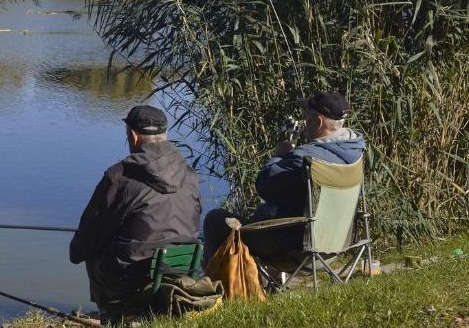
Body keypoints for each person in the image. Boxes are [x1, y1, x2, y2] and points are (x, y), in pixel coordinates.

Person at [70, 105, 201, 324]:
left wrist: (75, 251)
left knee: (91, 251)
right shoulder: (190, 175)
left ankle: (112, 316)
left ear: (133, 135)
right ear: (165, 135)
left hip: (131, 280)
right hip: (181, 273)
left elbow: (90, 233)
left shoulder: (119, 177)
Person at [203, 91, 366, 264]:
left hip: (297, 248)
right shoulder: (355, 152)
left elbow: (264, 186)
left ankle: (215, 286)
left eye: (306, 116)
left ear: (318, 122)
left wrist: (280, 156)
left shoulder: (306, 159)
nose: (304, 122)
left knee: (215, 219)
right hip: (336, 246)